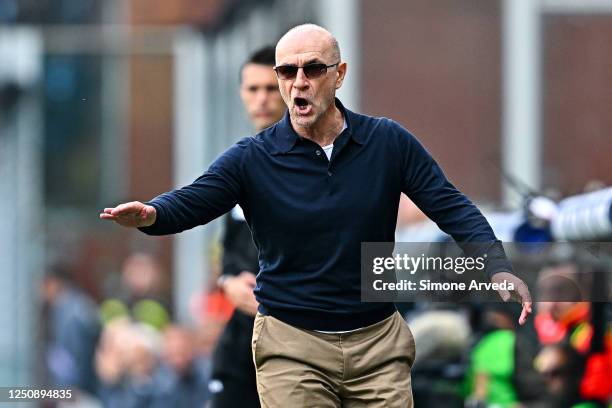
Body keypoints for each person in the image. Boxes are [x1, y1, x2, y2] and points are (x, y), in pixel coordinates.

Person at [100, 24, 532, 407]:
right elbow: (194, 199)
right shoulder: (253, 158)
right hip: (291, 344)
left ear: (339, 74)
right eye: (287, 72)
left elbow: (449, 204)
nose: (298, 82)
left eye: (312, 69)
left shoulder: (387, 142)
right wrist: (151, 214)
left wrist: (496, 266)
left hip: (377, 344)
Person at [208, 45, 285, 408]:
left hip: (297, 335)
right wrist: (228, 281)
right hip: (242, 338)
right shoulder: (241, 161)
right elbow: (229, 249)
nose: (262, 99)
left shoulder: (321, 161)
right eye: (253, 89)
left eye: (271, 88)